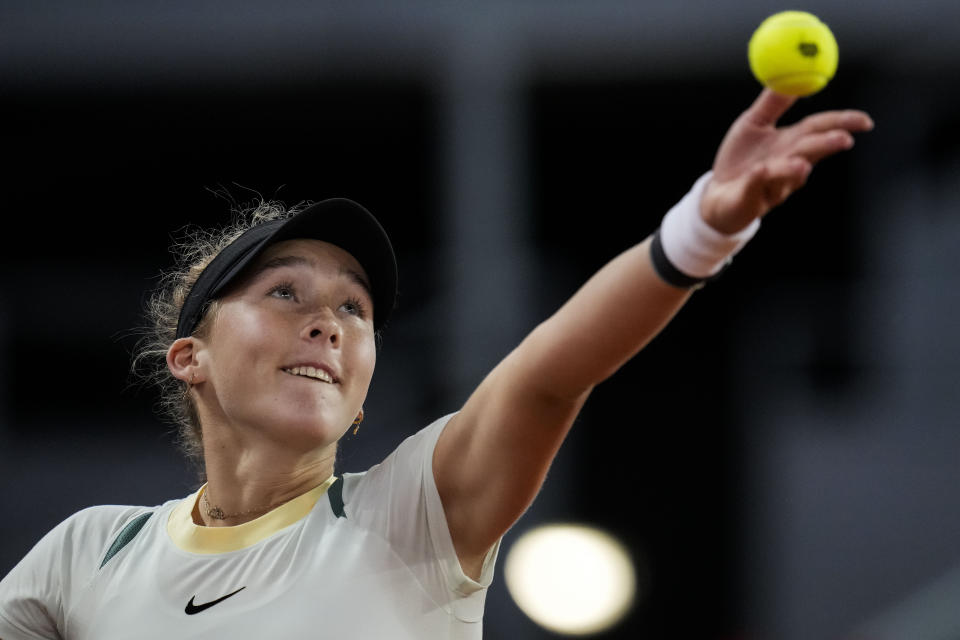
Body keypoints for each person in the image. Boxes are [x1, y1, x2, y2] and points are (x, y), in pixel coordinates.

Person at [0, 89, 873, 638]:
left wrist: (704, 227)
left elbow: (546, 372)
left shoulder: (410, 513)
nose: (329, 324)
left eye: (355, 309)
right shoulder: (89, 552)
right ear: (189, 357)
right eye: (284, 294)